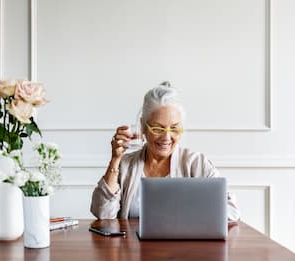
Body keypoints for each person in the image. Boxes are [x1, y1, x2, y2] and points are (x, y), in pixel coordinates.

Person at [90, 82, 240, 223]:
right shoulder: (126, 165)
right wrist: (115, 159)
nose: (166, 137)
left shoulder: (196, 163)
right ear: (143, 126)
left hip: (184, 250)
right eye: (157, 129)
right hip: (134, 250)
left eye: (174, 128)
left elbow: (231, 211)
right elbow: (103, 214)